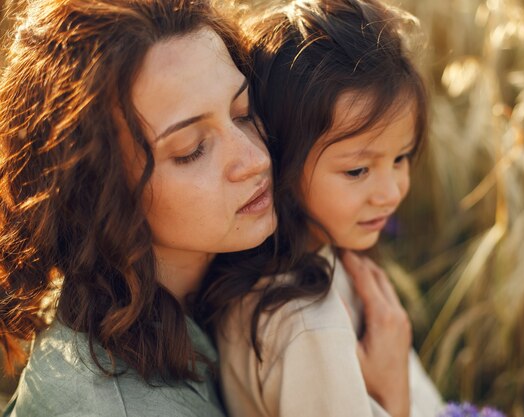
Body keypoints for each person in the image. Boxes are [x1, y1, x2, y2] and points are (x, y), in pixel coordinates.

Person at [0, 0, 417, 416]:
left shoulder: (231, 283)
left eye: (244, 113)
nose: (256, 159)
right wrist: (391, 397)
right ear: (97, 193)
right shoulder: (122, 406)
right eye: (192, 150)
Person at [201, 0, 442, 416]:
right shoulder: (309, 328)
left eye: (400, 157)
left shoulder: (313, 266)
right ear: (279, 156)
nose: (390, 192)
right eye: (358, 170)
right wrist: (393, 396)